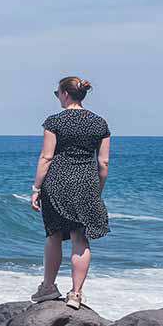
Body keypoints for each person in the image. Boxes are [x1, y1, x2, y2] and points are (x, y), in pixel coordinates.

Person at [29, 76, 111, 308]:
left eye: (57, 94)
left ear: (65, 94)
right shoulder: (100, 124)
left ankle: (47, 287)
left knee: (54, 235)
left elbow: (46, 157)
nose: (58, 98)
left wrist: (36, 189)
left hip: (57, 182)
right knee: (80, 238)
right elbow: (103, 163)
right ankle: (75, 294)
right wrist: (97, 190)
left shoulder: (54, 122)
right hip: (86, 183)